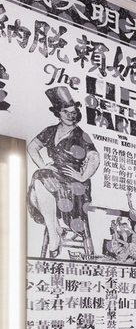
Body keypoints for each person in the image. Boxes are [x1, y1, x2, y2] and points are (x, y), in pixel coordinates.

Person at [27, 88, 100, 258]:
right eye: (65, 112)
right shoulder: (50, 131)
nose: (70, 115)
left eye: (73, 112)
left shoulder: (80, 135)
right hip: (53, 177)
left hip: (74, 184)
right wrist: (43, 165)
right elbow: (32, 147)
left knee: (39, 178)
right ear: (58, 113)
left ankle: (54, 233)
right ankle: (55, 229)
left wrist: (82, 176)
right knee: (37, 182)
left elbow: (94, 157)